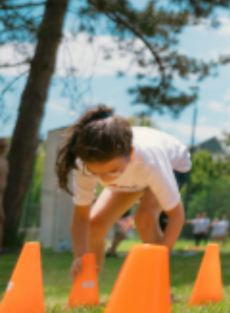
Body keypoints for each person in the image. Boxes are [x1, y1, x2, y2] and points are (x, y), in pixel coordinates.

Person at [56, 105, 191, 280]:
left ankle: (159, 289)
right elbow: (81, 216)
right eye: (96, 173)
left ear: (131, 153)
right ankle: (87, 288)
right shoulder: (83, 165)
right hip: (131, 174)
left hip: (174, 163)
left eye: (111, 171)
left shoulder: (148, 160)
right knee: (95, 224)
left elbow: (176, 215)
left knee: (145, 217)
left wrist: (161, 258)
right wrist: (80, 256)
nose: (105, 180)